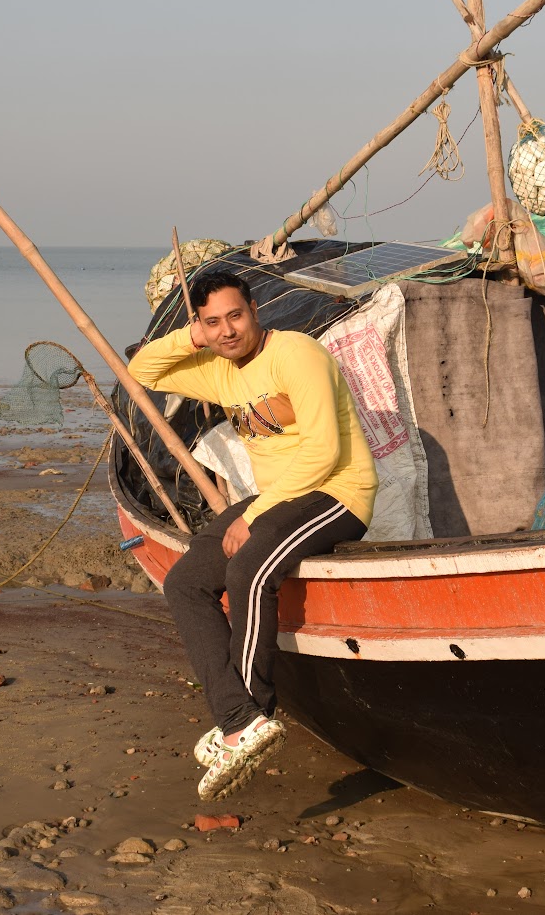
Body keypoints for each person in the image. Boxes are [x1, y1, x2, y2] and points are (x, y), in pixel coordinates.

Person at [127, 270, 376, 801]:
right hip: (278, 499)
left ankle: (248, 719)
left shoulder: (297, 353)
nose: (228, 331)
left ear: (255, 310)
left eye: (235, 316)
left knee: (248, 570)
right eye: (213, 322)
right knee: (186, 582)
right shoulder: (220, 370)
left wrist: (252, 514)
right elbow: (142, 368)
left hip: (336, 494)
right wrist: (193, 336)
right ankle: (238, 716)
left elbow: (326, 451)